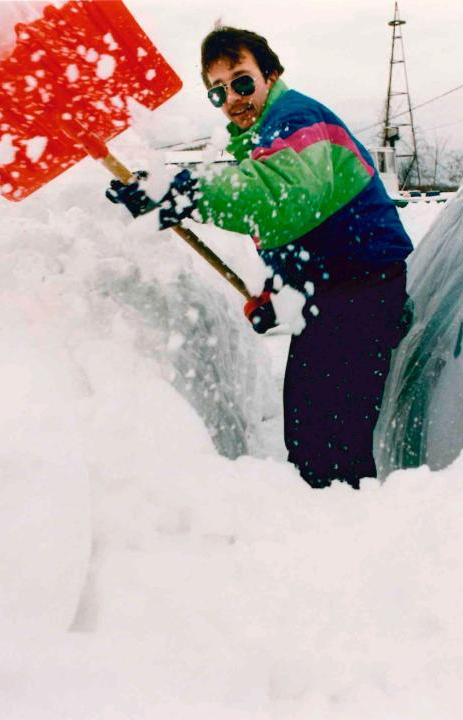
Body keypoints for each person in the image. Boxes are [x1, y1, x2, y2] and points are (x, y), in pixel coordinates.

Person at [106, 26, 413, 489]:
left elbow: (283, 196)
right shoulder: (260, 140)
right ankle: (331, 521)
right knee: (309, 431)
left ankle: (350, 537)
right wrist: (279, 293)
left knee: (331, 443)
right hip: (329, 292)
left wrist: (180, 193)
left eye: (242, 81)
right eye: (218, 92)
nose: (232, 97)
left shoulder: (297, 117)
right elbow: (289, 229)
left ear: (270, 75)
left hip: (361, 288)